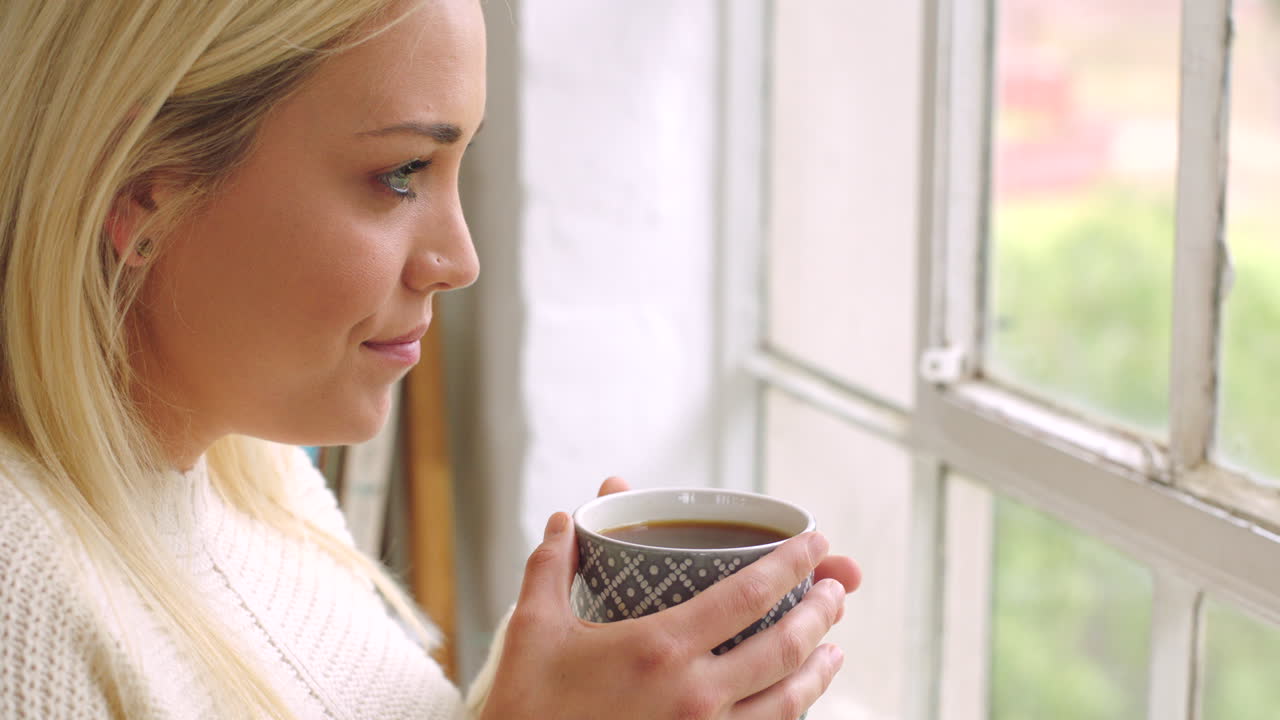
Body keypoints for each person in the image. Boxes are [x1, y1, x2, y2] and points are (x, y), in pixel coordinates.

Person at [0, 0, 863, 717]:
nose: (459, 259)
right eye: (404, 172)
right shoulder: (23, 602)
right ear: (146, 192)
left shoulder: (248, 470)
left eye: (457, 164)